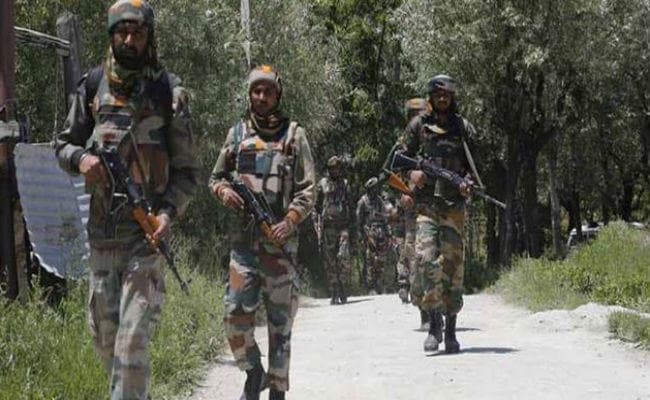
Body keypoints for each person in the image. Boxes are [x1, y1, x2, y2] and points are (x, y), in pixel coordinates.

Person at [54, 1, 200, 398]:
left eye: (138, 32)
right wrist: (81, 159)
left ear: (149, 36)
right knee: (107, 342)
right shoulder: (92, 86)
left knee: (132, 343)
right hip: (102, 238)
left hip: (144, 238)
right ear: (112, 35)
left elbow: (188, 172)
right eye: (123, 32)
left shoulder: (168, 92)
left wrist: (167, 214)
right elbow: (63, 145)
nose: (130, 40)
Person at [209, 64, 315, 400]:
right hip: (244, 246)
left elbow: (307, 189)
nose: (261, 96)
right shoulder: (237, 135)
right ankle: (253, 371)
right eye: (256, 91)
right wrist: (223, 192)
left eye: (268, 91)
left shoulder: (294, 136)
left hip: (280, 247)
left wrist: (290, 221)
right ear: (249, 95)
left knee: (280, 326)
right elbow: (216, 177)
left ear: (277, 95)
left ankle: (277, 390)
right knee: (234, 315)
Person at [397, 74, 478, 354]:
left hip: (453, 206)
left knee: (453, 266)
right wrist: (412, 174)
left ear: (452, 97)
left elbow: (475, 167)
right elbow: (398, 159)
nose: (443, 98)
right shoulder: (418, 125)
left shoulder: (463, 127)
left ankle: (451, 327)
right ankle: (434, 324)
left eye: (447, 94)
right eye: (438, 94)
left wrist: (468, 183)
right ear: (431, 96)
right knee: (424, 259)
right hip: (426, 206)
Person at [315, 155, 354, 305]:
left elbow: (351, 204)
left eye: (337, 168)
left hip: (343, 227)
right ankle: (334, 290)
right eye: (332, 168)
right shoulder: (322, 184)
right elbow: (317, 205)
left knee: (343, 258)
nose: (335, 170)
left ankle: (343, 288)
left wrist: (352, 226)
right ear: (329, 169)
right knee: (330, 260)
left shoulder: (345, 184)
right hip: (329, 228)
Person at [356, 177, 397, 295]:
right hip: (369, 233)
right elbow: (359, 220)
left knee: (381, 260)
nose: (375, 190)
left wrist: (388, 233)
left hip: (381, 233)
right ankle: (371, 286)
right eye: (373, 188)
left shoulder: (379, 200)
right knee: (370, 259)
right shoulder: (363, 201)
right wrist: (361, 236)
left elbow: (384, 217)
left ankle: (379, 284)